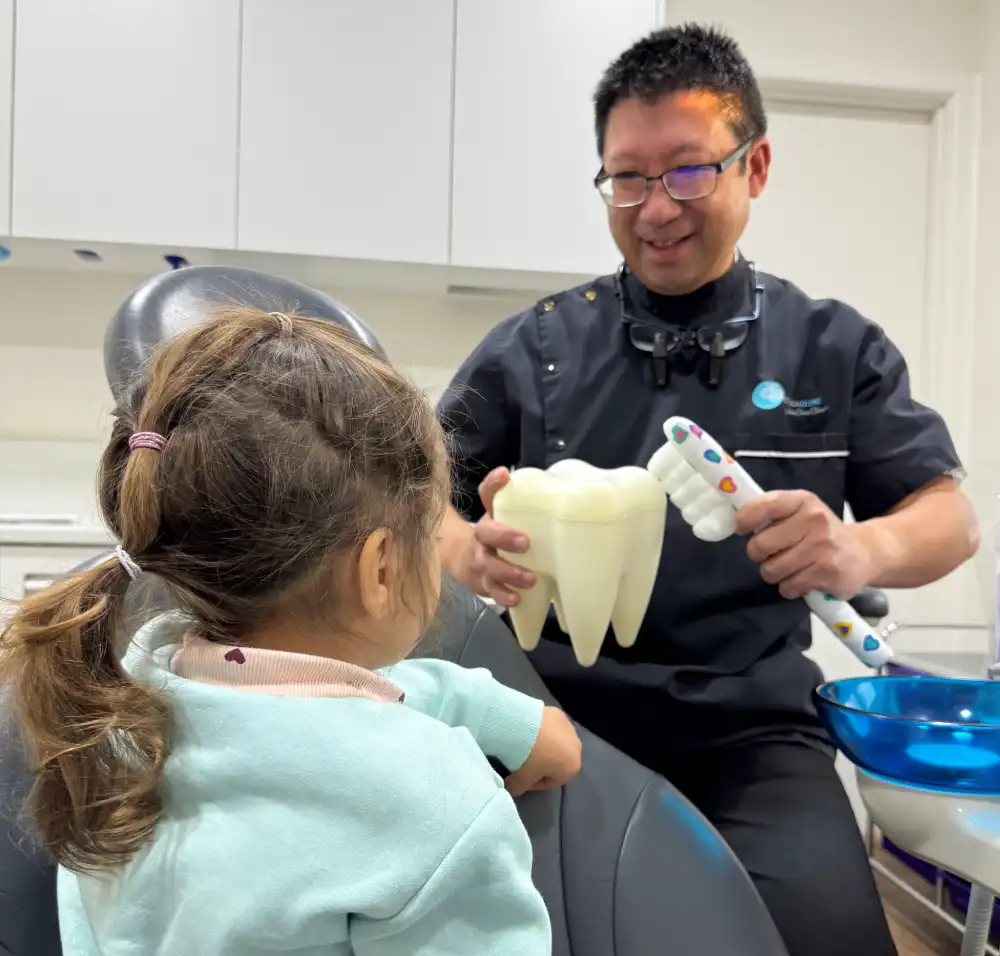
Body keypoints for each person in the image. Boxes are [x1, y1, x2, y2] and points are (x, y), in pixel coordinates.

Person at [437, 23, 980, 956]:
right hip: (556, 714)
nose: (656, 209)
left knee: (834, 937)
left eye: (688, 172)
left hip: (753, 733)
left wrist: (859, 548)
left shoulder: (832, 346)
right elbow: (413, 501)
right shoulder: (534, 348)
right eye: (628, 178)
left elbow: (951, 519)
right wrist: (461, 551)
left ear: (754, 165)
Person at [0, 308, 582, 955]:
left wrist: (479, 705)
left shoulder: (121, 701)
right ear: (381, 568)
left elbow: (292, 700)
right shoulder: (436, 807)